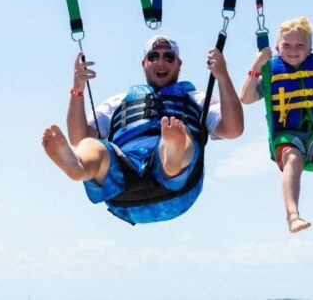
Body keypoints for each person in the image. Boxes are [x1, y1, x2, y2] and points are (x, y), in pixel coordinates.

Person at [42, 35, 243, 224]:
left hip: (177, 187)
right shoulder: (118, 102)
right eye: (153, 56)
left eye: (169, 57)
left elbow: (233, 129)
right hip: (122, 178)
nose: (161, 62)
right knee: (90, 145)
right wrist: (77, 88)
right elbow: (78, 136)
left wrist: (222, 76)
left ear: (179, 63)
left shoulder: (196, 99)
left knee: (182, 136)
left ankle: (172, 156)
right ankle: (79, 167)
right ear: (144, 63)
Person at [240, 17, 313, 236]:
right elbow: (246, 97)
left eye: (300, 45)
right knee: (292, 157)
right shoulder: (270, 71)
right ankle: (292, 215)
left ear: (310, 48)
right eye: (287, 45)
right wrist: (256, 66)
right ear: (278, 47)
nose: (293, 50)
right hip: (287, 136)